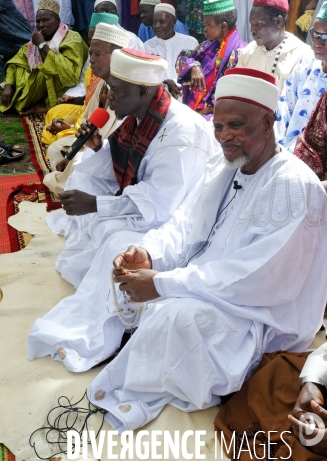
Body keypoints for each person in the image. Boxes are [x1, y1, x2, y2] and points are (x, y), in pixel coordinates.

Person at [29, 67, 327, 440]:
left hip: (261, 315)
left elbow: (255, 279)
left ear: (268, 123)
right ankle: (120, 345)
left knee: (181, 316)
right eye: (218, 127)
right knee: (124, 259)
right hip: (206, 280)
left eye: (236, 126)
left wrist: (165, 284)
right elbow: (185, 226)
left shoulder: (296, 188)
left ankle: (139, 378)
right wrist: (149, 255)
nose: (224, 138)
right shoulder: (226, 164)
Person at [27, 46, 215, 309]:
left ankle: (108, 304)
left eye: (116, 91)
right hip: (145, 197)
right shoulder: (141, 112)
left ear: (141, 91)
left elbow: (162, 204)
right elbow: (120, 164)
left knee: (113, 236)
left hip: (174, 217)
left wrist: (95, 204)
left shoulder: (181, 134)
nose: (110, 98)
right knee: (82, 176)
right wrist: (96, 147)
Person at [44, 21, 130, 192]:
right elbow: (87, 119)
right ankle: (71, 180)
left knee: (78, 163)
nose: (91, 60)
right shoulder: (102, 84)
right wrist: (75, 147)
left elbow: (119, 143)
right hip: (91, 143)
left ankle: (72, 183)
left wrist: (77, 155)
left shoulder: (128, 90)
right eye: (90, 54)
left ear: (118, 56)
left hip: (111, 156)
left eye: (97, 54)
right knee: (55, 149)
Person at [0, 0, 87, 116]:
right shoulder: (36, 40)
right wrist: (8, 86)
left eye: (45, 20)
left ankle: (40, 104)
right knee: (18, 67)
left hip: (63, 84)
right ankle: (32, 98)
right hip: (41, 82)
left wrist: (42, 45)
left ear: (58, 20)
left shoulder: (72, 38)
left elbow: (70, 75)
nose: (41, 25)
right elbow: (16, 61)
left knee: (43, 71)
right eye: (38, 21)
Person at [176, 0, 246, 115]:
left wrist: (205, 111)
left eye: (208, 25)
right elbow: (181, 59)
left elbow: (236, 98)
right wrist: (194, 66)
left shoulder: (241, 53)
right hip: (199, 111)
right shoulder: (207, 46)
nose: (204, 29)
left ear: (223, 26)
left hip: (220, 114)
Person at [276, 1, 327, 151]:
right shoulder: (307, 64)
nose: (318, 43)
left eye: (325, 37)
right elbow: (284, 105)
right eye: (315, 34)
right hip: (289, 151)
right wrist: (277, 146)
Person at [237, 0, 312, 93]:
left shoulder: (302, 56)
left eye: (259, 24)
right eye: (252, 24)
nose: (252, 30)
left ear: (278, 21)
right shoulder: (248, 52)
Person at [144, 3, 198, 90]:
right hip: (158, 95)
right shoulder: (147, 46)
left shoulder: (190, 43)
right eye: (154, 22)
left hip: (183, 95)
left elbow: (194, 73)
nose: (157, 26)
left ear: (173, 22)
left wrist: (175, 83)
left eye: (162, 22)